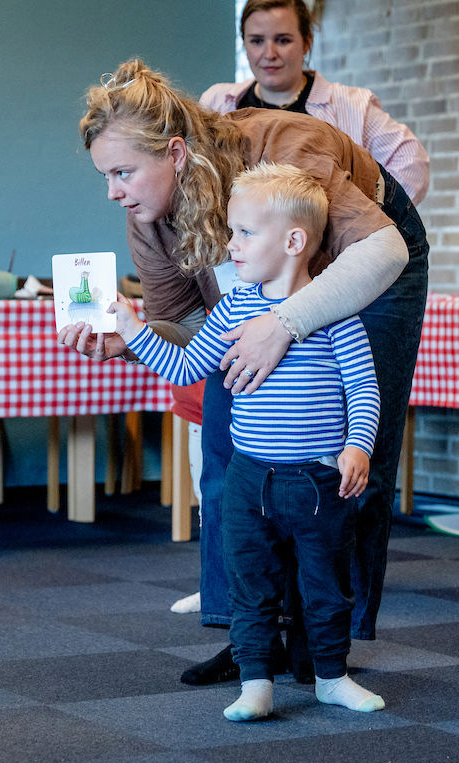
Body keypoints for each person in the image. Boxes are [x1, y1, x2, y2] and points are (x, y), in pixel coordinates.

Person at [58, 59, 429, 687]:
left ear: (175, 153)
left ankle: (320, 644)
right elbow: (187, 328)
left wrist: (284, 323)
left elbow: (383, 249)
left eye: (123, 172)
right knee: (226, 443)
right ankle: (249, 634)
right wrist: (132, 340)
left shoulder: (285, 145)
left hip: (372, 260)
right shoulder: (147, 215)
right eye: (106, 177)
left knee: (348, 452)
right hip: (262, 299)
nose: (114, 192)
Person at [109, 162, 385, 721]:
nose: (230, 244)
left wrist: (359, 445)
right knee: (250, 584)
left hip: (320, 481)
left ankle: (332, 677)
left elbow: (363, 387)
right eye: (231, 231)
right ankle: (255, 681)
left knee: (327, 586)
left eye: (244, 232)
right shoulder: (234, 306)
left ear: (293, 242)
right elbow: (187, 367)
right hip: (249, 479)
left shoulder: (333, 311)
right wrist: (133, 330)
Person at [200, 0, 429, 205]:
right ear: (244, 43)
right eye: (257, 41)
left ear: (307, 41)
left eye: (283, 40)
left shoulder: (352, 105)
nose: (269, 53)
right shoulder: (218, 103)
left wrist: (364, 220)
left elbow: (411, 162)